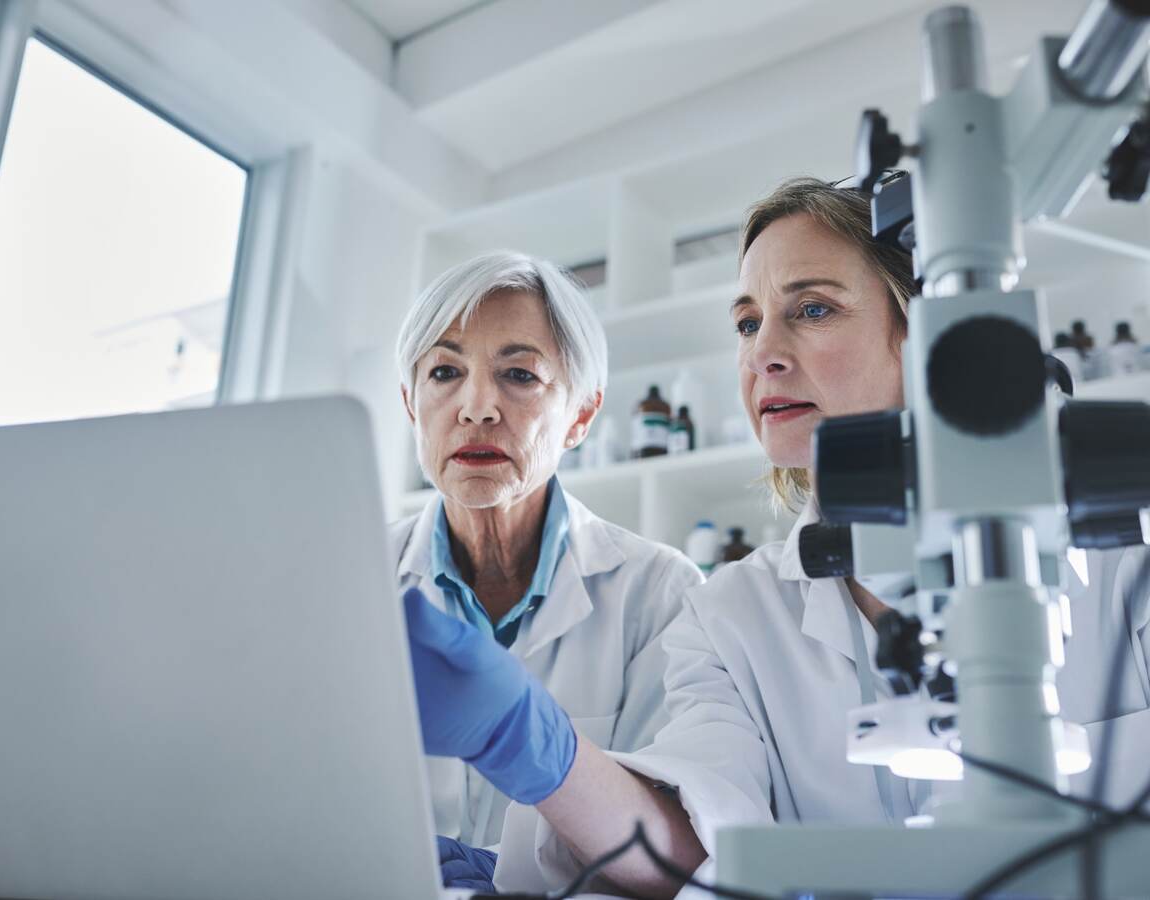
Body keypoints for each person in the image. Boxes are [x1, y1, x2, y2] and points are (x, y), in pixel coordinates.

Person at [403, 180, 1150, 898]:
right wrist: (534, 748)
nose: (762, 353)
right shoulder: (731, 614)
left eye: (814, 309)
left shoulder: (1124, 556)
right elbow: (698, 845)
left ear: (937, 338)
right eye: (747, 322)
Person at [391, 251, 702, 889]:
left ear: (582, 415)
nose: (477, 407)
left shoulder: (661, 594)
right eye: (445, 371)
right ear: (410, 404)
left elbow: (677, 859)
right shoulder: (354, 584)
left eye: (520, 375)